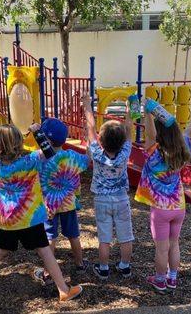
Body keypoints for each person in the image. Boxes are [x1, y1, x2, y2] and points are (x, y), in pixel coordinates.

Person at [0, 111, 82, 302]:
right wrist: (37, 132)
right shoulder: (30, 161)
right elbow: (49, 151)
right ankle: (63, 290)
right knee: (45, 252)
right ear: (19, 144)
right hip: (32, 219)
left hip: (9, 221)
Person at [135, 102, 191, 291]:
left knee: (161, 248)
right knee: (174, 244)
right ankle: (172, 278)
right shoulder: (182, 152)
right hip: (179, 207)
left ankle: (160, 280)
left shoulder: (154, 153)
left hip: (161, 209)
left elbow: (150, 135)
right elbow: (184, 132)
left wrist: (148, 114)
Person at [31, 118, 90, 286]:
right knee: (73, 235)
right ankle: (80, 264)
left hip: (48, 206)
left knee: (50, 238)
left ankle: (48, 273)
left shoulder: (39, 158)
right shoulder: (70, 156)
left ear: (45, 140)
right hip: (68, 204)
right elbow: (87, 160)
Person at [82, 93, 134, 280]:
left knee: (104, 238)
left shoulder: (96, 152)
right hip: (121, 199)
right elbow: (129, 129)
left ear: (100, 141)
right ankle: (125, 266)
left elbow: (90, 127)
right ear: (122, 142)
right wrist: (130, 108)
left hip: (102, 200)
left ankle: (103, 268)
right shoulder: (125, 153)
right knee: (125, 235)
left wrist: (87, 104)